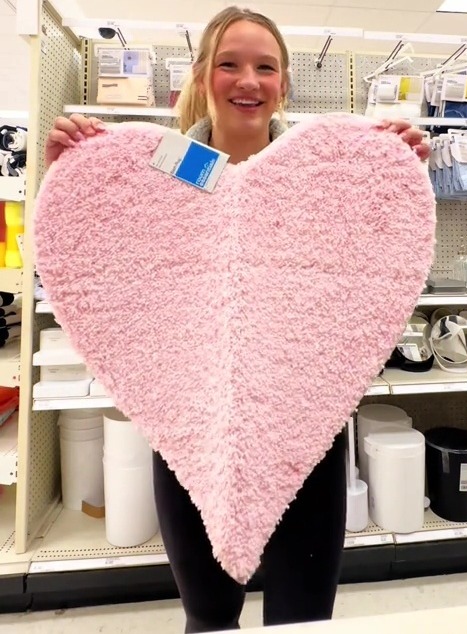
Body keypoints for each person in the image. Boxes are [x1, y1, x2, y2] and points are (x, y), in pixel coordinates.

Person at [45, 6, 430, 633]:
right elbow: (110, 245)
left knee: (303, 618)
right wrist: (77, 164)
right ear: (202, 75)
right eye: (229, 63)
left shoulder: (321, 173)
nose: (247, 80)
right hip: (192, 427)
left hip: (304, 425)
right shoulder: (162, 165)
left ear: (284, 83)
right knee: (209, 617)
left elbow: (368, 257)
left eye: (265, 67)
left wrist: (392, 168)